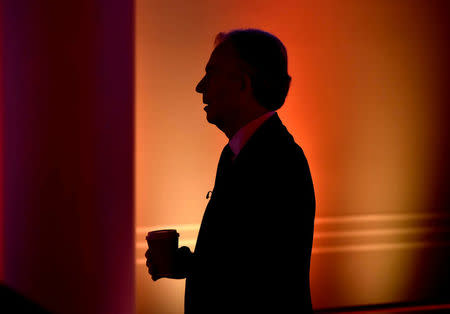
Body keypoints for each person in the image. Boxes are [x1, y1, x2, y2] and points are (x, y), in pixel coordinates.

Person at [146, 28, 316, 314]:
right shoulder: (239, 152)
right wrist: (186, 264)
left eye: (211, 73)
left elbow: (261, 279)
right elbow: (243, 258)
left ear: (243, 84)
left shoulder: (279, 162)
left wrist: (190, 265)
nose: (200, 86)